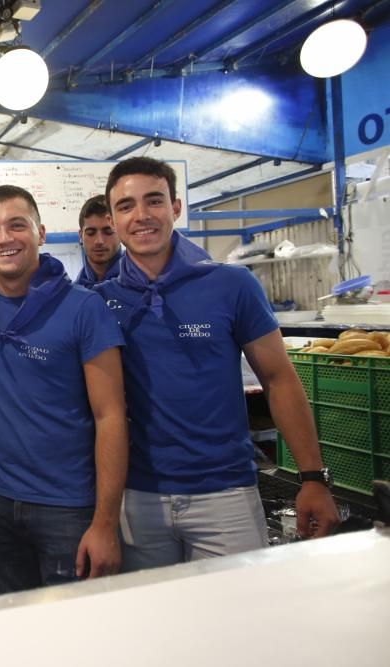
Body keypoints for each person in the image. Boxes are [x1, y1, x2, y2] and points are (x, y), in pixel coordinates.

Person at [96, 156, 340, 570]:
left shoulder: (232, 285)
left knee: (239, 624)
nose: (141, 216)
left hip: (226, 494)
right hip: (137, 498)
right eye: (126, 206)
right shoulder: (100, 303)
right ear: (115, 219)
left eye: (154, 201)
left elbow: (279, 379)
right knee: (155, 625)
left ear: (175, 208)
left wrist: (313, 478)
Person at [0, 185, 129, 594]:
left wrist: (105, 522)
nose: (4, 239)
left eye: (17, 225)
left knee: (79, 638)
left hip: (67, 507)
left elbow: (111, 416)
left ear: (41, 233)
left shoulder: (82, 308)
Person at [74, 194, 123, 288]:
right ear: (80, 236)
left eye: (108, 232)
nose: (99, 241)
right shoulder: (73, 292)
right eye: (91, 233)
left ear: (120, 232)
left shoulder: (142, 283)